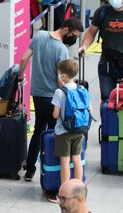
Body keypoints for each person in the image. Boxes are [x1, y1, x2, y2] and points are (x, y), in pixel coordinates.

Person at [17, 18, 83, 183]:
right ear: (66, 30)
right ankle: (51, 168)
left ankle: (30, 169)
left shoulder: (39, 35)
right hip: (54, 97)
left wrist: (20, 76)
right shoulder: (61, 50)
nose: (74, 39)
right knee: (54, 134)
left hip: (37, 94)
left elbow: (24, 58)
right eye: (74, 35)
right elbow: (62, 79)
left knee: (38, 130)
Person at [51, 59, 84, 185]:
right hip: (79, 129)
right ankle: (78, 187)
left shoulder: (59, 92)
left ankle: (65, 189)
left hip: (63, 131)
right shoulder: (81, 88)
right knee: (77, 159)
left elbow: (55, 114)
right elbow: (89, 109)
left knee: (64, 161)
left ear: (63, 76)